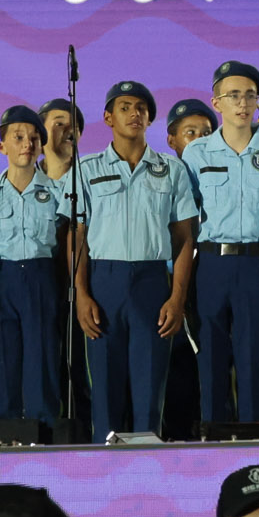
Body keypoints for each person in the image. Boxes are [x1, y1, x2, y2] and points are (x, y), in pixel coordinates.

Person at [71, 80, 198, 441]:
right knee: (105, 393)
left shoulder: (171, 171)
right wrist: (81, 294)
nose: (134, 113)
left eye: (141, 108)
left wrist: (177, 298)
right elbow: (77, 236)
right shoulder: (86, 169)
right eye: (125, 107)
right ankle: (102, 474)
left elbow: (185, 238)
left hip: (152, 282)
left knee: (149, 392)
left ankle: (149, 474)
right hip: (104, 282)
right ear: (108, 117)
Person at [174, 61, 259, 426]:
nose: (243, 103)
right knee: (211, 365)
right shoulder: (197, 153)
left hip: (256, 264)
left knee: (254, 364)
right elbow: (186, 224)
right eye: (234, 95)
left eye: (250, 95)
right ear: (217, 102)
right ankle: (214, 444)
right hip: (210, 265)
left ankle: (255, 444)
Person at [0, 105, 72, 425]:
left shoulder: (57, 192)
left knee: (43, 358)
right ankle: (4, 440)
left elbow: (65, 242)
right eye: (18, 137)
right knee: (3, 360)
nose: (27, 144)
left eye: (34, 138)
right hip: (1, 276)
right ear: (2, 146)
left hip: (40, 274)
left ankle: (43, 437)